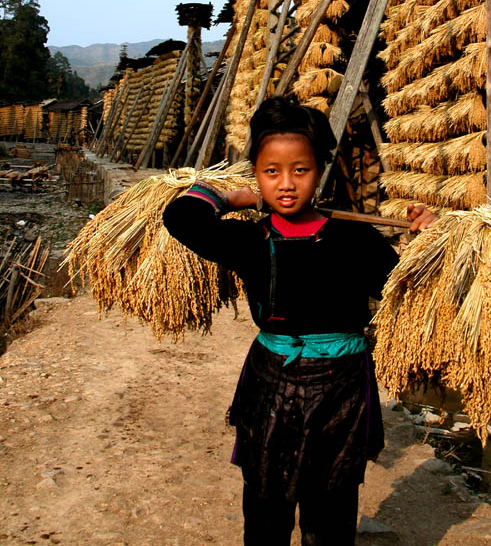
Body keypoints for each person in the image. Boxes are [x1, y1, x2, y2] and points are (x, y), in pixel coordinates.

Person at [163, 97, 435, 546]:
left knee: (331, 514)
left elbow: (409, 285)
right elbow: (181, 217)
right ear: (255, 171)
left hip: (342, 390)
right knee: (266, 509)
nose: (286, 185)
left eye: (300, 171)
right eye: (271, 172)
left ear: (320, 170)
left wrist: (431, 236)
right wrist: (234, 196)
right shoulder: (250, 239)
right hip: (272, 384)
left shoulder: (355, 239)